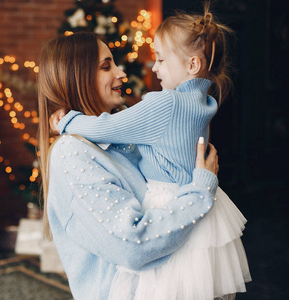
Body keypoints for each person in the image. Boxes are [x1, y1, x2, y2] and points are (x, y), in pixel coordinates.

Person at [52, 4, 251, 300]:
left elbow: (107, 129)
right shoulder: (203, 104)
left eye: (160, 59)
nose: (153, 67)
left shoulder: (165, 104)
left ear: (192, 65)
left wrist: (68, 121)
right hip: (198, 212)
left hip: (170, 204)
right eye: (107, 66)